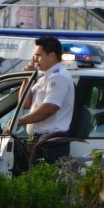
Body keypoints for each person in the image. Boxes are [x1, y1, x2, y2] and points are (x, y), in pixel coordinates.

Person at [15, 35, 75, 164]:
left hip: (51, 143)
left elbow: (49, 109)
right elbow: (25, 103)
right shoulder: (44, 77)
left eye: (39, 56)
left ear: (52, 56)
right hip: (40, 141)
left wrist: (19, 121)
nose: (35, 60)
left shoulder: (58, 77)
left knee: (45, 181)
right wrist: (27, 78)